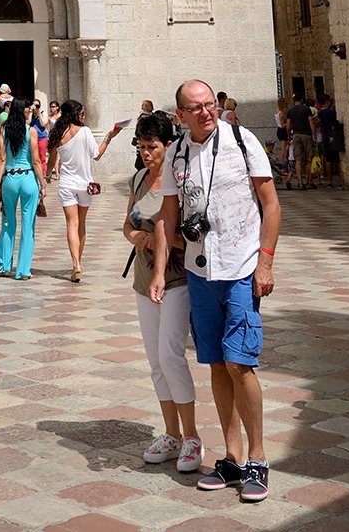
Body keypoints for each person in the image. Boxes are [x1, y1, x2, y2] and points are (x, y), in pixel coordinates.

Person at [151, 79, 280, 504]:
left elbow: (271, 203)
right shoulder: (176, 154)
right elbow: (168, 215)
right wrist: (157, 272)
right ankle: (231, 456)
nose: (206, 112)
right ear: (181, 115)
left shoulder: (243, 141)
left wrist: (265, 261)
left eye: (210, 104)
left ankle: (258, 458)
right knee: (216, 365)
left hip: (242, 266)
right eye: (196, 107)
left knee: (239, 362)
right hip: (199, 271)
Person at [124, 111, 202, 472]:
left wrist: (159, 237)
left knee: (171, 354)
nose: (145, 153)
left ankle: (192, 437)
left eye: (151, 146)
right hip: (143, 279)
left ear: (169, 146)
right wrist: (138, 236)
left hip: (176, 279)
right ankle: (170, 433)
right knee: (155, 361)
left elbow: (190, 238)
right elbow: (128, 224)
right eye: (140, 146)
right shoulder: (139, 178)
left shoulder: (181, 184)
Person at [45, 99, 122, 283]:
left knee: (71, 224)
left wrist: (47, 175)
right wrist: (108, 138)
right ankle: (78, 262)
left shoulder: (57, 133)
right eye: (81, 113)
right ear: (75, 114)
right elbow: (96, 155)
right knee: (81, 224)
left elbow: (51, 160)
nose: (83, 116)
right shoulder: (86, 131)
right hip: (84, 185)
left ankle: (76, 264)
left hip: (66, 184)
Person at [0, 98, 45, 279]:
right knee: (28, 226)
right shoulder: (30, 131)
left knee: (8, 224)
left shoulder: (3, 130)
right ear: (22, 111)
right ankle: (23, 270)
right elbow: (36, 160)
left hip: (9, 178)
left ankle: (5, 266)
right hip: (28, 177)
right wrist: (43, 183)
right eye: (28, 110)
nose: (30, 112)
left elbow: (1, 158)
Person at [286, 92, 317, 189]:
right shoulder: (306, 109)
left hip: (296, 135)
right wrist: (314, 135)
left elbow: (288, 126)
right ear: (302, 100)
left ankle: (300, 182)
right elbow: (311, 122)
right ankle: (310, 180)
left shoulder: (290, 111)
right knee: (309, 159)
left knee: (298, 159)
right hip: (306, 134)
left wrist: (289, 136)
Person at [30, 101, 49, 174]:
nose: (35, 107)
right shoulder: (30, 114)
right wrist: (31, 112)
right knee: (34, 156)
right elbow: (28, 122)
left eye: (37, 105)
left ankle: (43, 172)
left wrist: (39, 114)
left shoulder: (43, 113)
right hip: (33, 137)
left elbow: (43, 124)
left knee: (42, 156)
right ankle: (35, 171)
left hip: (41, 137)